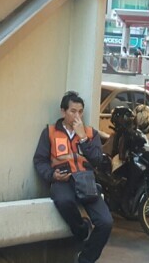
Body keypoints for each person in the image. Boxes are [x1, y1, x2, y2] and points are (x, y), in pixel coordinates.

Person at [32, 91, 112, 263]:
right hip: (63, 181)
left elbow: (98, 160)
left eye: (80, 111)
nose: (77, 115)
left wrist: (83, 137)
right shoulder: (50, 132)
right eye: (73, 111)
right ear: (63, 111)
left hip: (85, 181)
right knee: (64, 201)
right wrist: (52, 175)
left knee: (106, 222)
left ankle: (85, 259)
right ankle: (82, 230)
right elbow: (39, 161)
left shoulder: (90, 133)